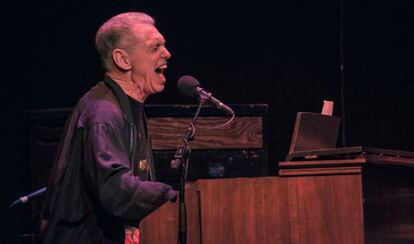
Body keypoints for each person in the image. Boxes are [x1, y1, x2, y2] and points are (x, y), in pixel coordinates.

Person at [38, 12, 177, 244]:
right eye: (155, 47)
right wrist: (172, 197)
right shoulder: (103, 112)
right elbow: (115, 190)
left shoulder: (129, 107)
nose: (167, 53)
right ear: (123, 60)